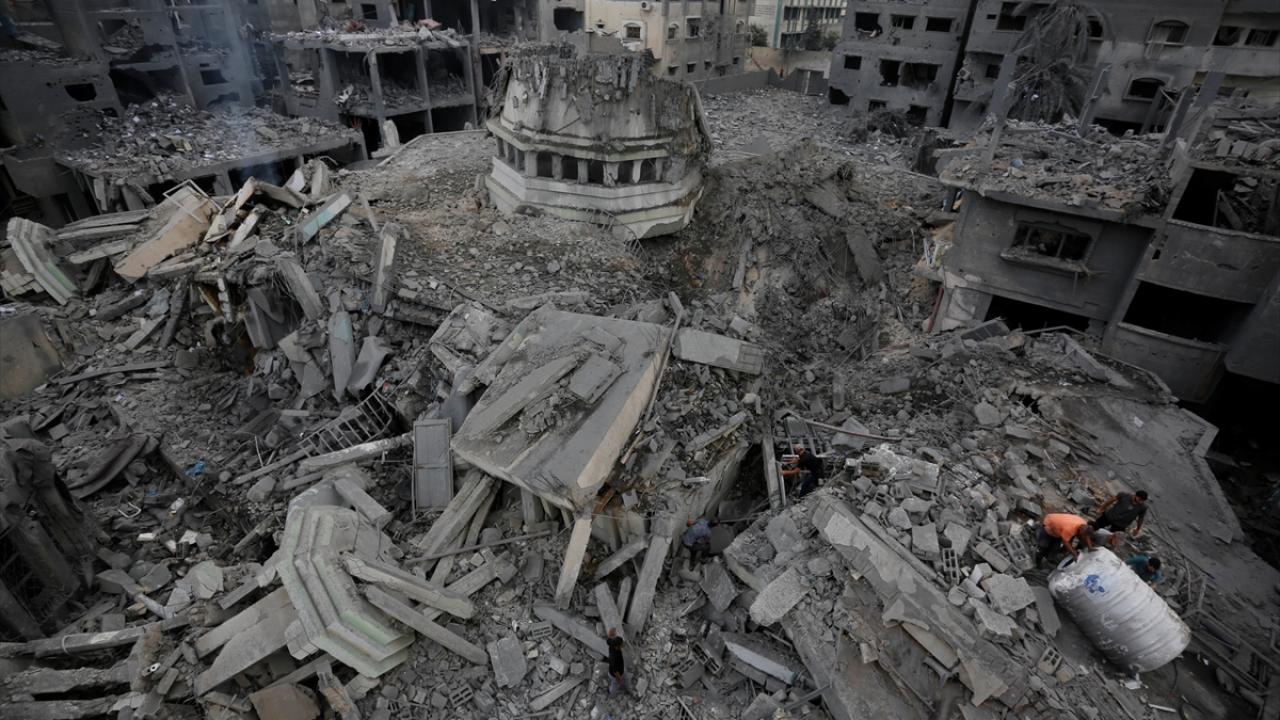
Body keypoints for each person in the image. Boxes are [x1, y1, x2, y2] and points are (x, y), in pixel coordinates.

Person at [606, 628, 628, 695]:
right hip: (614, 675)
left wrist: (611, 634)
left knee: (624, 676)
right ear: (616, 646)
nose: (622, 645)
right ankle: (611, 692)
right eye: (621, 645)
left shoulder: (612, 644)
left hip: (620, 670)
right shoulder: (614, 657)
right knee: (614, 684)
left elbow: (608, 640)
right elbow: (615, 671)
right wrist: (619, 679)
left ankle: (624, 683)